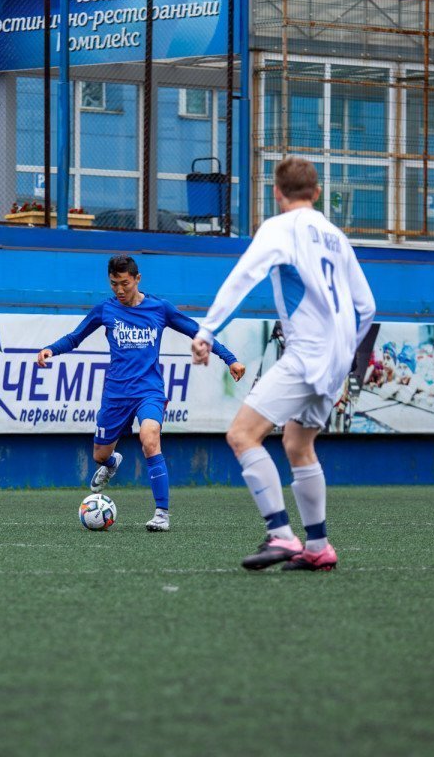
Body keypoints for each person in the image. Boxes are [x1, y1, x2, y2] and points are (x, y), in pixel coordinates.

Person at [191, 157, 376, 571]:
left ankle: (281, 535)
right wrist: (344, 352)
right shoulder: (336, 236)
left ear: (276, 193)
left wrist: (207, 331)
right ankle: (318, 546)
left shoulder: (280, 228)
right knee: (297, 444)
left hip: (306, 355)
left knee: (242, 435)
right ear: (317, 192)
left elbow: (243, 276)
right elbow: (367, 307)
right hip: (336, 360)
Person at [37, 255, 245, 532]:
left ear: (137, 279)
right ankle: (112, 462)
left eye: (124, 283)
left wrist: (230, 359)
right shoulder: (105, 310)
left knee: (150, 439)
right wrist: (51, 349)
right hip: (115, 394)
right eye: (114, 284)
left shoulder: (160, 308)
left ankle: (161, 514)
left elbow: (197, 332)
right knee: (100, 455)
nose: (119, 290)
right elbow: (75, 338)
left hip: (149, 390)